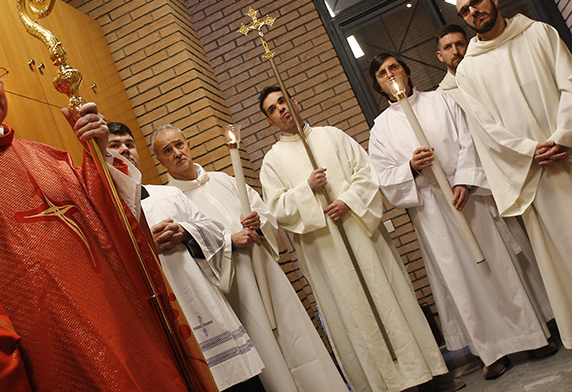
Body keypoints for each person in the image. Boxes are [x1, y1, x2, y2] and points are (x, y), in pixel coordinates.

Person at [0, 0, 203, 390]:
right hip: (49, 362)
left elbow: (117, 236)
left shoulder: (47, 157)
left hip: (129, 339)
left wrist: (102, 158)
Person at [258, 86, 461, 392]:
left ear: (295, 100)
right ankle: (387, 385)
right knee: (354, 314)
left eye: (283, 101)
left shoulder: (332, 136)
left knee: (392, 299)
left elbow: (367, 174)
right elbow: (276, 210)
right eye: (273, 109)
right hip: (327, 252)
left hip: (362, 237)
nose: (281, 109)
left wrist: (347, 202)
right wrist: (307, 189)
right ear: (271, 121)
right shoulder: (272, 162)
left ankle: (429, 374)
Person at [367, 52, 556, 379]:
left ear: (406, 71)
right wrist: (410, 167)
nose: (390, 74)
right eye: (382, 73)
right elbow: (382, 176)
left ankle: (532, 336)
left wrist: (466, 181)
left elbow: (470, 140)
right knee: (461, 279)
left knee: (499, 266)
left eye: (394, 67)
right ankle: (490, 352)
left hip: (466, 195)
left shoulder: (441, 101)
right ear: (379, 86)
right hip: (431, 210)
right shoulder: (380, 129)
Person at [151, 124, 347, 392]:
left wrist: (259, 222)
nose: (177, 153)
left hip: (263, 268)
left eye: (179, 144)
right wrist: (230, 241)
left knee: (296, 336)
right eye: (167, 150)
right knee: (266, 350)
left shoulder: (224, 180)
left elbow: (263, 212)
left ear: (188, 144)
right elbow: (189, 248)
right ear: (160, 160)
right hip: (234, 286)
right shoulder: (171, 199)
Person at [449, 0, 572, 349]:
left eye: (477, 2)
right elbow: (486, 129)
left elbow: (570, 83)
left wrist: (564, 136)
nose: (473, 12)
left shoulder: (539, 34)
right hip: (536, 178)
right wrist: (532, 151)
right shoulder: (469, 70)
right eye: (465, 11)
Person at [107, 122, 265, 392]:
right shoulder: (107, 212)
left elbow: (214, 231)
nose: (125, 150)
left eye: (129, 144)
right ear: (103, 157)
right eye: (114, 146)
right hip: (166, 323)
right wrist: (145, 245)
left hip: (205, 307)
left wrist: (185, 231)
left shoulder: (169, 194)